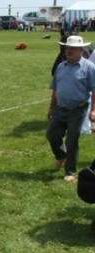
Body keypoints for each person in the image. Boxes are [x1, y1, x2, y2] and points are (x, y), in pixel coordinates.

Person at [46, 35, 95, 182]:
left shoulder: (89, 67)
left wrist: (93, 110)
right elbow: (55, 90)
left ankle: (70, 171)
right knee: (52, 135)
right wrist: (51, 108)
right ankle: (61, 156)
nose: (69, 51)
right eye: (67, 48)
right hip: (60, 108)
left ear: (80, 50)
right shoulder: (61, 67)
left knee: (72, 140)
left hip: (78, 109)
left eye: (72, 49)